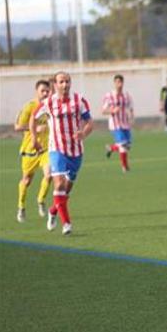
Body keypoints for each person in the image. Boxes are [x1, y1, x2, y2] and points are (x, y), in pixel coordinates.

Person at [30, 71, 94, 236]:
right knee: (58, 184)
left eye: (67, 81)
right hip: (56, 149)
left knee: (66, 189)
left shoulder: (79, 100)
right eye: (61, 82)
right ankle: (67, 224)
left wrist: (83, 134)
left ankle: (53, 211)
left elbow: (89, 122)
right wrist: (34, 139)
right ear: (56, 84)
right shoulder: (48, 102)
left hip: (76, 150)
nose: (65, 84)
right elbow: (33, 118)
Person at [14, 79, 53, 223]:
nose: (45, 93)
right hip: (30, 149)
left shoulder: (50, 106)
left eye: (47, 91)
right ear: (37, 91)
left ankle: (41, 200)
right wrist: (35, 129)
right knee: (27, 180)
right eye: (42, 91)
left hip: (46, 149)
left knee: (49, 175)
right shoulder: (30, 107)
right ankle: (21, 206)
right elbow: (17, 126)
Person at [102, 74, 134, 173]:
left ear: (123, 83)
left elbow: (131, 108)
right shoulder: (109, 96)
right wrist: (112, 110)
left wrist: (132, 118)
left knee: (127, 145)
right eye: (117, 82)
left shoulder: (127, 95)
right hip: (115, 125)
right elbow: (103, 110)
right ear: (114, 83)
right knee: (123, 145)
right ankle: (125, 167)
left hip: (125, 123)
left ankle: (111, 148)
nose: (119, 84)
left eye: (120, 82)